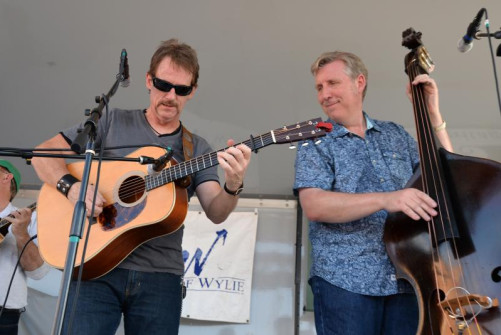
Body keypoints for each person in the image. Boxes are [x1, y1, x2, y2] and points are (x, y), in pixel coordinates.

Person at [31, 39, 251, 335]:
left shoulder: (196, 148)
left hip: (160, 277)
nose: (171, 96)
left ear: (192, 92)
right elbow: (43, 154)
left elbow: (216, 211)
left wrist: (234, 184)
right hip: (95, 267)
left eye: (181, 90)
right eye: (163, 84)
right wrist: (73, 188)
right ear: (149, 80)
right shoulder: (110, 121)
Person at [294, 51, 453, 335]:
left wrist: (433, 113)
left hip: (407, 279)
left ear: (359, 82)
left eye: (332, 83)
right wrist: (387, 198)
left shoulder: (396, 134)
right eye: (319, 87)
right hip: (345, 284)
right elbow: (314, 205)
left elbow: (449, 178)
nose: (324, 94)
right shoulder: (314, 141)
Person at [0, 160, 50, 335]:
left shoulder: (30, 219)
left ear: (7, 177)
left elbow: (38, 272)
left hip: (3, 313)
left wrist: (21, 233)